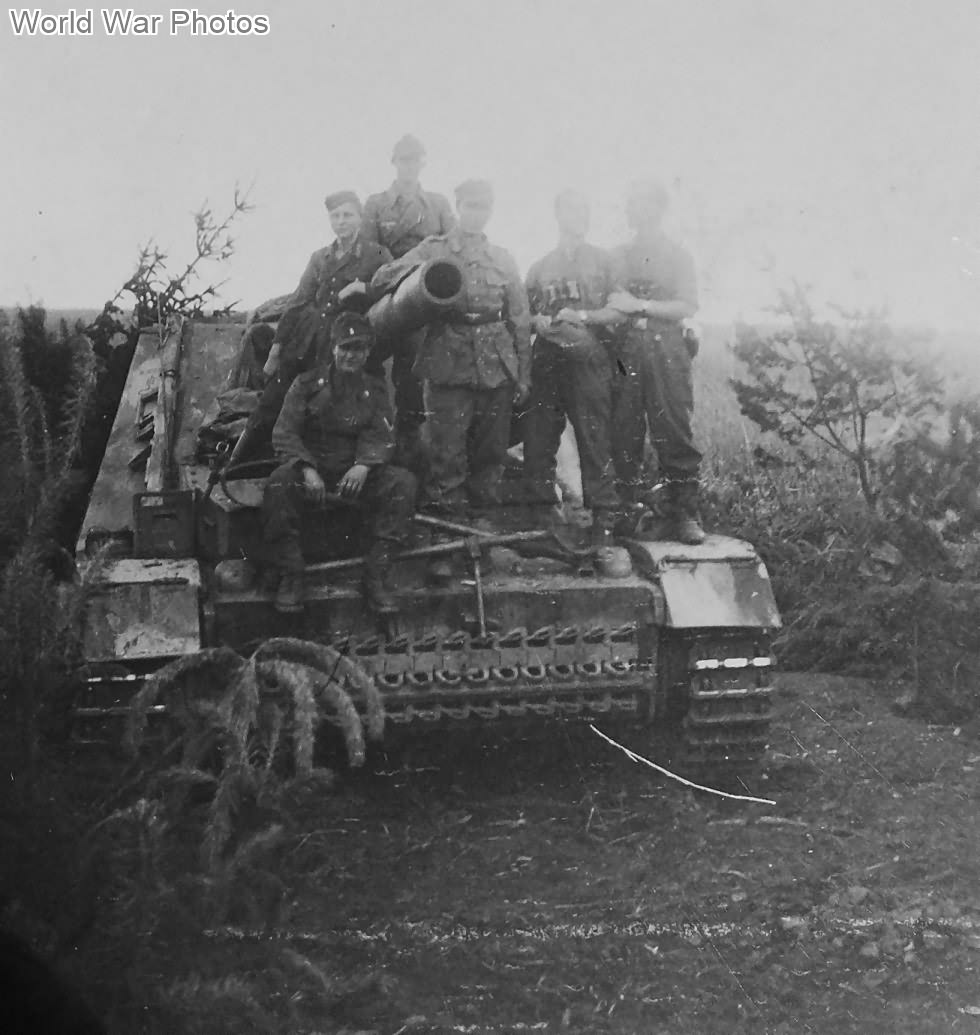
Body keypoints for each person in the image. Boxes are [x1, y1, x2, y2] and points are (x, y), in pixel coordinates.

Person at [371, 179, 530, 564]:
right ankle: (445, 537)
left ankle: (482, 534)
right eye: (470, 205)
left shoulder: (504, 258)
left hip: (496, 362)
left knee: (491, 452)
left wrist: (523, 374)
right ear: (457, 206)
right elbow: (382, 278)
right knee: (446, 453)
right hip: (447, 361)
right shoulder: (435, 248)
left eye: (483, 207)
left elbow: (520, 318)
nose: (476, 213)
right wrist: (422, 273)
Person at [260, 312, 417, 615]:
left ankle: (376, 576)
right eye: (345, 347)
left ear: (368, 352)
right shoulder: (306, 385)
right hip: (312, 471)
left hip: (355, 473)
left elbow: (382, 434)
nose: (351, 355)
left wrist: (364, 466)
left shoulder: (375, 389)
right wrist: (306, 469)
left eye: (358, 349)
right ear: (333, 348)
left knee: (403, 483)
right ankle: (292, 576)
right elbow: (285, 431)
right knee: (279, 484)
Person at [242, 191, 392, 454]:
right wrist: (276, 350)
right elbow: (298, 303)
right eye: (335, 216)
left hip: (343, 343)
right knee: (272, 400)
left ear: (360, 218)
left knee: (328, 405)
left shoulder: (376, 254)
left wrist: (363, 288)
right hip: (306, 339)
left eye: (348, 215)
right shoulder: (320, 257)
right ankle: (239, 463)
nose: (341, 221)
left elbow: (393, 284)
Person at [607, 179, 705, 545]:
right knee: (624, 430)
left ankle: (684, 514)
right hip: (626, 348)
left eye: (645, 205)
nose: (637, 212)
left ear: (659, 210)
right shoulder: (616, 256)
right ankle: (625, 512)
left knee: (674, 429)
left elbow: (688, 305)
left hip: (667, 348)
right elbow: (611, 297)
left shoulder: (678, 256)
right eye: (633, 205)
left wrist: (643, 306)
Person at [523, 189, 623, 545]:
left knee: (594, 438)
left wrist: (583, 316)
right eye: (570, 210)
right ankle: (542, 518)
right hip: (547, 359)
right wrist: (536, 321)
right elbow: (524, 312)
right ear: (558, 215)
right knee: (538, 438)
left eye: (583, 211)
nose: (577, 217)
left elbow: (619, 308)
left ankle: (603, 522)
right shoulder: (540, 267)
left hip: (587, 357)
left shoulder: (604, 261)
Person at [361, 135, 456, 469]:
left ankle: (412, 447)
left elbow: (452, 246)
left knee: (418, 375)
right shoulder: (376, 204)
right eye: (403, 160)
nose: (409, 166)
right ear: (394, 163)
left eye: (415, 160)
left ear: (423, 163)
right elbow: (371, 253)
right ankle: (386, 441)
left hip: (426, 299)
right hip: (387, 294)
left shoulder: (438, 204)